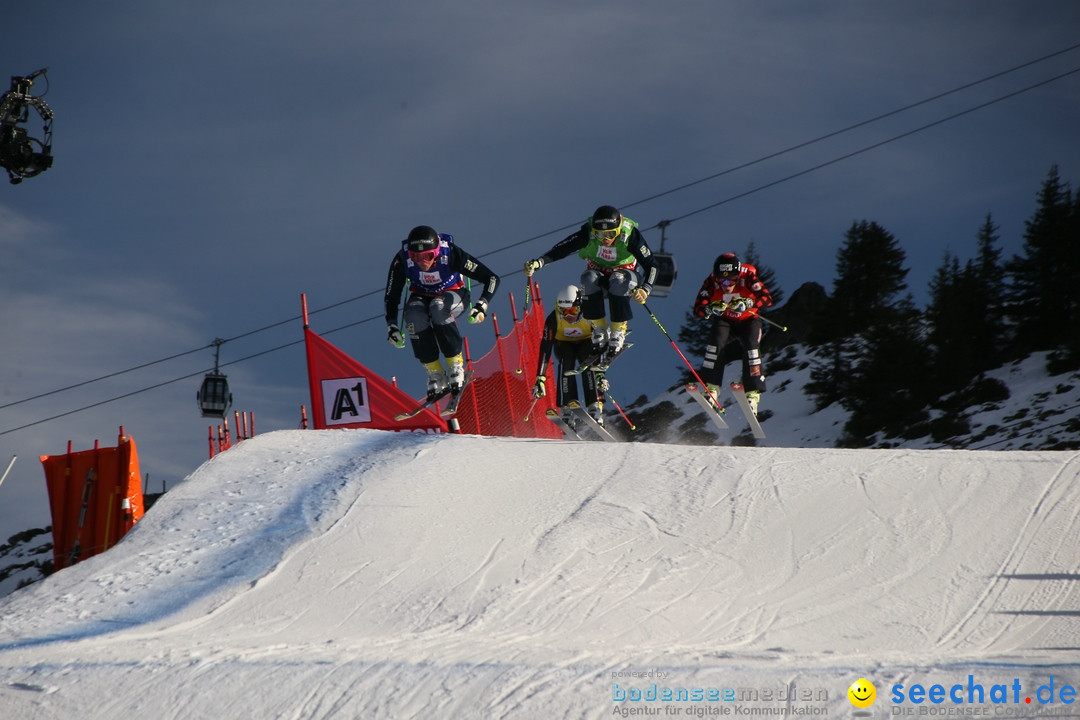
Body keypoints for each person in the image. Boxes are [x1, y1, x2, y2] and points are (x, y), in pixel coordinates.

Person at [523, 205, 657, 364]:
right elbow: (564, 248)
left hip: (626, 277)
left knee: (617, 279)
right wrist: (539, 262)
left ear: (619, 228)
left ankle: (618, 330)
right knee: (587, 278)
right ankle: (599, 329)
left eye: (610, 234)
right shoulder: (588, 234)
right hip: (600, 278)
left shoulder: (629, 235)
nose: (605, 239)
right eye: (600, 234)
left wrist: (645, 288)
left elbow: (652, 265)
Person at [384, 225, 500, 401]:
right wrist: (392, 325)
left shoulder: (450, 253)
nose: (422, 262)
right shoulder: (402, 259)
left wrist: (481, 305)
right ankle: (435, 372)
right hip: (421, 295)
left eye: (428, 256)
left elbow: (491, 278)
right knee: (413, 316)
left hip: (453, 293)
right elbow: (391, 295)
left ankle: (455, 366)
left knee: (438, 308)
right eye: (416, 257)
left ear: (436, 251)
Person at [691, 252, 774, 416]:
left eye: (732, 280)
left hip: (748, 320)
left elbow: (767, 298)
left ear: (739, 275)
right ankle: (711, 388)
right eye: (722, 280)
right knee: (715, 343)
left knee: (751, 347)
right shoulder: (711, 281)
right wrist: (709, 308)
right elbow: (697, 309)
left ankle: (753, 394)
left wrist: (749, 302)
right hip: (726, 320)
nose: (727, 284)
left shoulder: (748, 276)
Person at [532, 285, 609, 427]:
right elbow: (545, 348)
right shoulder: (553, 319)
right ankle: (567, 409)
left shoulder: (591, 313)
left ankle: (594, 406)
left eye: (572, 310)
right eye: (564, 311)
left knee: (588, 359)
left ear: (580, 306)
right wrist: (540, 378)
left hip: (586, 343)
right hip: (563, 344)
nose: (568, 316)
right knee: (566, 360)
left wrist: (600, 374)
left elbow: (601, 344)